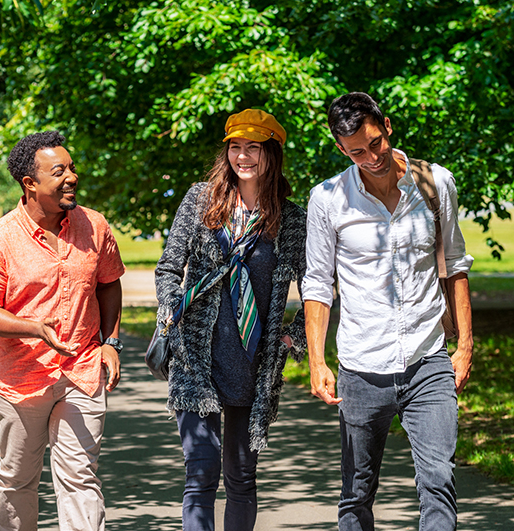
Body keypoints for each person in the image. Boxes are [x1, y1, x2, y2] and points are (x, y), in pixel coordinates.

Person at [301, 92, 473, 530]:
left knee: (438, 481)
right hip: (361, 367)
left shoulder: (435, 184)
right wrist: (318, 360)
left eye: (374, 143)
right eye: (356, 151)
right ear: (341, 148)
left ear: (387, 127)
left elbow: (454, 265)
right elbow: (318, 284)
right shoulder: (328, 199)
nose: (370, 157)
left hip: (427, 357)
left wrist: (465, 346)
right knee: (356, 493)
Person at [0, 131, 125, 531]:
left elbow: (109, 282)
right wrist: (34, 328)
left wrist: (111, 342)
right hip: (21, 379)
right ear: (30, 184)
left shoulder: (94, 225)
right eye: (59, 171)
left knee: (79, 477)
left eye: (71, 167)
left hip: (81, 371)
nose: (72, 176)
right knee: (16, 479)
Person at [154, 109, 307, 531]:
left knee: (241, 478)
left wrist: (293, 338)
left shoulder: (291, 220)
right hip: (196, 359)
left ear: (271, 154)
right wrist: (170, 311)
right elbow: (169, 267)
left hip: (252, 365)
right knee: (200, 474)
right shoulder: (201, 199)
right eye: (236, 147)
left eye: (253, 148)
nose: (243, 157)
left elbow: (317, 288)